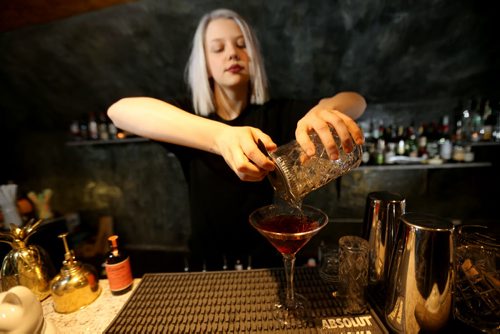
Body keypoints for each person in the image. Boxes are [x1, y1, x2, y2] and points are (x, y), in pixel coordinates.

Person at [107, 8, 366, 270]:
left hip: (264, 261)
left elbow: (356, 100)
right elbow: (119, 111)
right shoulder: (191, 115)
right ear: (205, 64)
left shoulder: (276, 113)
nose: (232, 53)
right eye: (218, 48)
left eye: (242, 45)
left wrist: (323, 111)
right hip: (207, 263)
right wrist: (219, 136)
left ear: (254, 57)